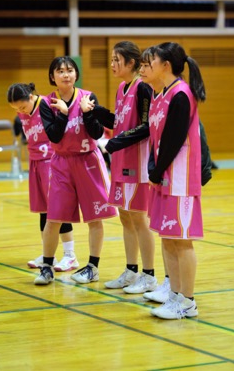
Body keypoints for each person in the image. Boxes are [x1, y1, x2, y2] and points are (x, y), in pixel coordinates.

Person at [34, 56, 117, 285]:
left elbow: (98, 132)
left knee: (95, 218)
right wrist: (62, 113)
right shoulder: (46, 103)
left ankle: (93, 267)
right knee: (54, 218)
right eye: (60, 71)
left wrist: (88, 113)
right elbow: (54, 136)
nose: (66, 74)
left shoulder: (88, 96)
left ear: (76, 74)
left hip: (88, 161)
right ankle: (47, 267)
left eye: (70, 70)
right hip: (61, 163)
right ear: (52, 77)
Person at [84, 41, 157, 294]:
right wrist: (96, 110)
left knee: (139, 219)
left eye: (117, 60)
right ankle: (131, 270)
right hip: (121, 163)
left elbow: (146, 126)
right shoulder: (121, 88)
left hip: (138, 165)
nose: (112, 64)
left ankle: (149, 276)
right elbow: (119, 121)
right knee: (126, 218)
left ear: (132, 63)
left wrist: (113, 142)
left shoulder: (143, 88)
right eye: (112, 59)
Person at [144, 42, 206, 319]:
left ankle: (188, 302)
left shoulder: (181, 95)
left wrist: (156, 172)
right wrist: (154, 170)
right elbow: (155, 139)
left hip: (179, 179)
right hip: (164, 177)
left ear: (165, 65)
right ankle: (174, 296)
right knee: (168, 238)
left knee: (182, 240)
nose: (146, 66)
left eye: (151, 61)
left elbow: (174, 140)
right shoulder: (161, 95)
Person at [7, 83, 79, 272]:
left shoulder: (48, 104)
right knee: (43, 210)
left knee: (58, 209)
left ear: (31, 97)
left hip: (52, 162)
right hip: (35, 162)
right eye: (16, 109)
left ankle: (70, 255)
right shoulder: (23, 113)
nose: (20, 111)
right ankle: (49, 253)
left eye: (22, 106)